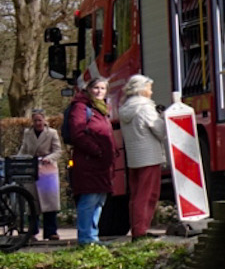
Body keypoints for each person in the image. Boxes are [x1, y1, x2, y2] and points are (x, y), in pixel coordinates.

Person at [62, 77, 115, 247]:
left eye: (103, 88)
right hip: (89, 162)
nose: (99, 91)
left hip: (101, 164)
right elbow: (77, 133)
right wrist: (95, 150)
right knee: (89, 199)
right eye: (96, 88)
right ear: (89, 89)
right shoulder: (81, 107)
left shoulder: (100, 109)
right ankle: (86, 238)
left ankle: (93, 237)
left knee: (99, 200)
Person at [116, 76, 170, 240]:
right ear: (142, 89)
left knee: (136, 195)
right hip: (149, 157)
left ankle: (137, 229)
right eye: (149, 88)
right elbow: (160, 131)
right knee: (148, 195)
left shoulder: (125, 108)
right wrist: (163, 117)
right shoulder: (145, 107)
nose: (151, 92)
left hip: (134, 157)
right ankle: (141, 231)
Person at [15, 107, 61, 241]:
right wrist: (18, 159)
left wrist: (49, 158)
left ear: (44, 120)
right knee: (32, 201)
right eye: (35, 120)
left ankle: (51, 232)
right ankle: (32, 232)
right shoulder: (27, 133)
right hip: (32, 168)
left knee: (49, 202)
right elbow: (23, 149)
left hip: (48, 170)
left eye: (40, 120)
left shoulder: (52, 133)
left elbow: (58, 150)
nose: (38, 123)